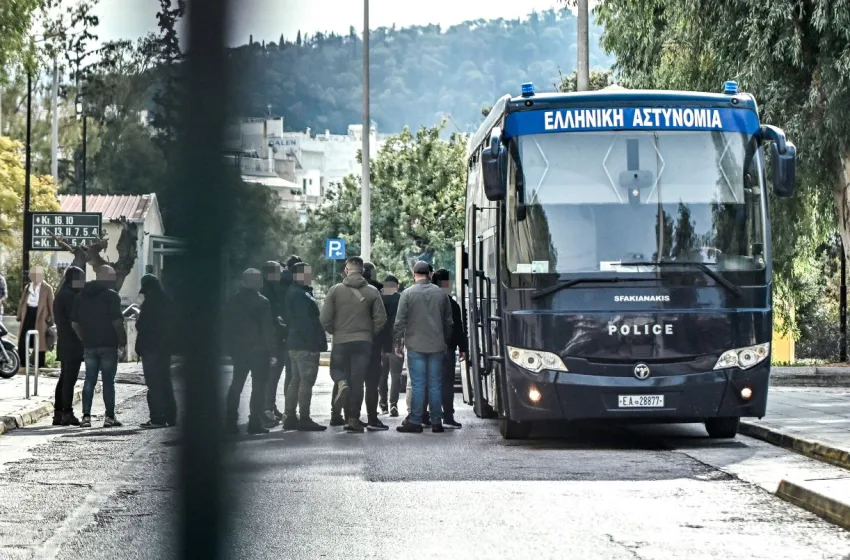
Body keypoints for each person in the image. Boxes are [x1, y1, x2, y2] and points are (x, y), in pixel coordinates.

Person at [320, 256, 387, 433]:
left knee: (337, 370)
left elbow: (324, 318)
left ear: (346, 270)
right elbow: (381, 318)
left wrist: (335, 331)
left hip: (341, 340)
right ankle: (353, 420)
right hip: (364, 343)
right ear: (362, 271)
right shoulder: (373, 291)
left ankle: (341, 382)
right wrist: (369, 332)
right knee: (358, 382)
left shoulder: (335, 290)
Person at [394, 261, 452, 433]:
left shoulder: (407, 294)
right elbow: (449, 322)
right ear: (430, 274)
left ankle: (416, 421)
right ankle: (436, 422)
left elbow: (399, 322)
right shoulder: (441, 295)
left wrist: (398, 342)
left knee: (418, 384)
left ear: (414, 273)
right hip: (437, 346)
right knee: (435, 384)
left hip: (415, 345)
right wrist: (446, 342)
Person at [72, 266, 125, 428]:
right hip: (108, 344)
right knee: (108, 381)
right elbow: (117, 322)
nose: (114, 279)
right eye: (112, 276)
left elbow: (74, 323)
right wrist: (122, 341)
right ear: (105, 277)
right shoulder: (112, 296)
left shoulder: (81, 296)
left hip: (89, 345)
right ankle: (109, 417)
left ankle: (86, 417)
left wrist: (84, 339)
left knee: (89, 380)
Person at [224, 269, 276, 435]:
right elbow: (267, 329)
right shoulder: (263, 302)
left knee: (236, 384)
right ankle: (254, 422)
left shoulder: (233, 301)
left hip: (239, 349)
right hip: (259, 350)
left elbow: (227, 327)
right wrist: (273, 351)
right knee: (259, 386)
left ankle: (230, 421)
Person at [282, 262, 327, 431]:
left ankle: (290, 416)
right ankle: (304, 418)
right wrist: (313, 344)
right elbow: (305, 322)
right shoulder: (300, 295)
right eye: (305, 274)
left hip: (295, 342)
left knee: (296, 380)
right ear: (296, 275)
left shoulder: (295, 292)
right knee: (306, 381)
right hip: (304, 344)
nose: (309, 276)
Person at [426, 268, 467, 429]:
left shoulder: (427, 302)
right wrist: (463, 348)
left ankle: (427, 416)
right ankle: (448, 416)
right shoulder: (452, 303)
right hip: (447, 349)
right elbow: (458, 328)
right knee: (446, 383)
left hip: (428, 348)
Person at [136, 274, 178, 429]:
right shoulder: (167, 301)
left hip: (150, 347)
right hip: (165, 348)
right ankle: (171, 416)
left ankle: (158, 417)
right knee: (165, 381)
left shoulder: (149, 304)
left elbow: (141, 326)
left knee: (153, 383)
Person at [52, 266, 85, 426]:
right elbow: (75, 322)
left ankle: (58, 413)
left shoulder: (60, 295)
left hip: (63, 341)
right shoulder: (71, 297)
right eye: (82, 279)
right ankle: (67, 413)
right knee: (69, 380)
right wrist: (84, 340)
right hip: (73, 342)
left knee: (64, 378)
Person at [360, 261, 388, 430]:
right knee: (372, 383)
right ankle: (372, 417)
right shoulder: (377, 291)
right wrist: (375, 334)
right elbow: (381, 318)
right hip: (373, 343)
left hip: (351, 342)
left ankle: (351, 417)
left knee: (354, 381)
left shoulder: (341, 289)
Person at [261, 261, 286, 428]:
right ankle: (265, 409)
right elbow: (270, 320)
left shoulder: (272, 289)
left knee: (273, 377)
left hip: (274, 339)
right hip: (270, 342)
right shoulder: (266, 293)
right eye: (278, 272)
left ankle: (270, 406)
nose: (281, 275)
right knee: (270, 377)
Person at [17, 266, 54, 369]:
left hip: (41, 315)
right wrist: (19, 314)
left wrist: (52, 318)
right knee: (24, 338)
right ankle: (23, 362)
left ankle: (40, 363)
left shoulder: (47, 288)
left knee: (40, 340)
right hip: (28, 313)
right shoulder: (28, 286)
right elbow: (22, 301)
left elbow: (51, 304)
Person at [378, 275, 404, 417]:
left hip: (381, 343)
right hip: (396, 341)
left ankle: (383, 404)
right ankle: (393, 403)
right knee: (395, 375)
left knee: (382, 375)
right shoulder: (400, 298)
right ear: (397, 285)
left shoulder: (379, 298)